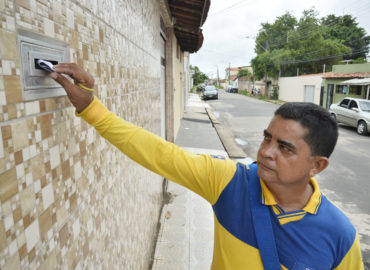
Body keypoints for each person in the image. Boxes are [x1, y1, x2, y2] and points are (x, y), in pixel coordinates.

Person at [50, 64, 364, 269]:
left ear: (317, 165)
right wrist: (92, 108)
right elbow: (157, 153)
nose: (266, 152)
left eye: (284, 148)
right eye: (267, 138)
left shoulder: (340, 235)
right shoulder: (229, 182)